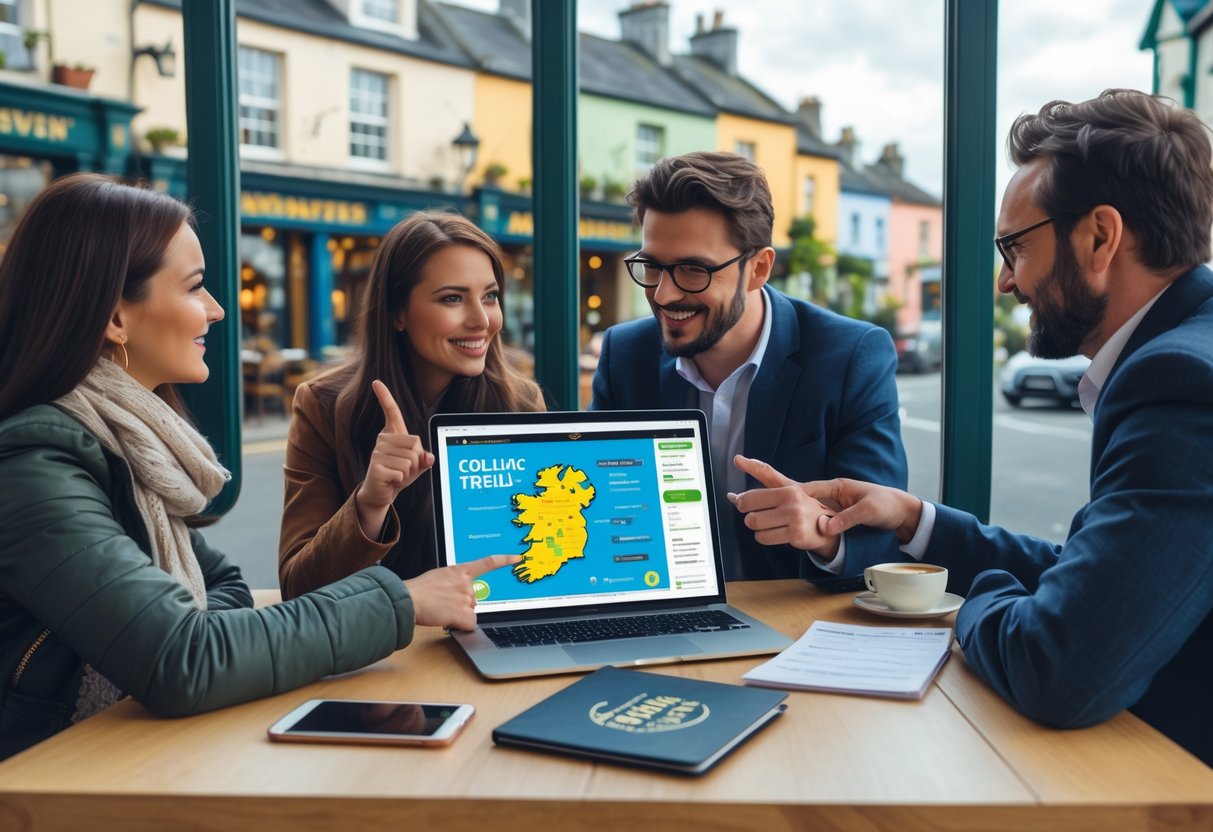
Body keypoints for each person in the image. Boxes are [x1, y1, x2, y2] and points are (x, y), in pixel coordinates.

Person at [731, 89, 1213, 767]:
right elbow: (1101, 579)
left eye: (1013, 247)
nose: (1004, 282)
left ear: (1099, 237)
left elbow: (1060, 666)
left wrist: (968, 601)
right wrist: (912, 519)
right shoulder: (1188, 352)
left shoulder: (1179, 383)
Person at [0, 173, 516, 760]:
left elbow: (221, 587)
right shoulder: (35, 464)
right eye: (195, 288)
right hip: (47, 771)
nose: (217, 310)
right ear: (116, 319)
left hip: (123, 743)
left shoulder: (123, 446)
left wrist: (191, 640)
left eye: (491, 295)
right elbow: (183, 657)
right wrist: (402, 600)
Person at [590, 150, 908, 582]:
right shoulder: (625, 355)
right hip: (658, 621)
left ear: (758, 268)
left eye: (692, 270)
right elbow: (596, 509)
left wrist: (825, 535)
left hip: (796, 627)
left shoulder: (851, 356)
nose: (663, 294)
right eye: (651, 266)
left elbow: (883, 536)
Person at [278, 212, 544, 599]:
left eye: (489, 296)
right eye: (452, 298)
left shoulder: (519, 403)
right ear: (397, 313)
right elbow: (298, 588)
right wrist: (370, 503)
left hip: (484, 633)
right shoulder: (323, 406)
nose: (482, 320)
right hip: (383, 645)